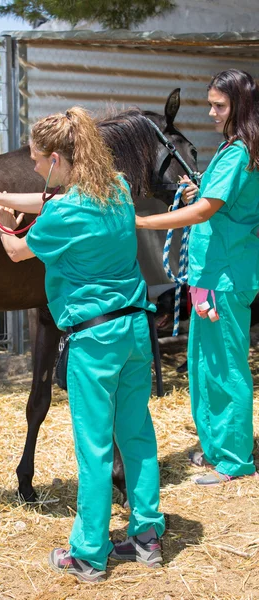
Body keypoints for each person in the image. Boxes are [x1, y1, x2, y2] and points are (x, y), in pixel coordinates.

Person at [0, 107, 165, 583]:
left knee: (93, 449)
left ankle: (89, 554)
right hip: (134, 333)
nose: (33, 169)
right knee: (137, 437)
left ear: (55, 159)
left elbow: (16, 251)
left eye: (35, 161)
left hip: (94, 340)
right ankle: (147, 537)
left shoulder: (66, 211)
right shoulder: (118, 190)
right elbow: (50, 203)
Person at [135, 69, 259, 486]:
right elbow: (216, 201)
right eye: (210, 104)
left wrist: (146, 222)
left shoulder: (241, 151)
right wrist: (198, 189)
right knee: (205, 366)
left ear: (239, 105)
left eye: (218, 105)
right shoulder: (231, 149)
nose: (210, 112)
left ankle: (236, 460)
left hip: (226, 275)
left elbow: (208, 210)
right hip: (213, 272)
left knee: (226, 368)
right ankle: (217, 447)